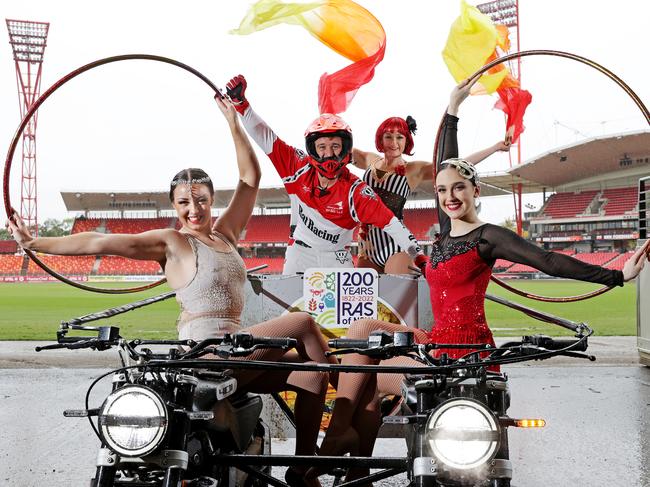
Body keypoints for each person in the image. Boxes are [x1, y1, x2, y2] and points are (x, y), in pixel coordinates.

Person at [306, 79, 650, 484]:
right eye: (443, 191)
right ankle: (343, 443)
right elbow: (447, 162)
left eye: (459, 189)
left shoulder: (488, 236)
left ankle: (338, 447)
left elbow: (548, 260)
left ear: (475, 190)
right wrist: (452, 107)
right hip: (433, 342)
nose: (450, 197)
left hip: (466, 354)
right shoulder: (443, 232)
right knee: (363, 331)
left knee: (363, 378)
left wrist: (615, 275)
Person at [6, 95, 333, 487]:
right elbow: (99, 244)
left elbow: (250, 179)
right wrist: (37, 243)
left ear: (213, 201)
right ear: (173, 205)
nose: (193, 208)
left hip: (240, 352)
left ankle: (304, 467)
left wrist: (232, 120)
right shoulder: (173, 243)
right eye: (184, 202)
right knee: (300, 322)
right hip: (203, 355)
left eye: (201, 200)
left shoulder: (226, 234)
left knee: (310, 377)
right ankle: (346, 396)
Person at [225, 74, 424, 274]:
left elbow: (393, 225)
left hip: (337, 258)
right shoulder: (296, 166)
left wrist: (419, 256)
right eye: (322, 147)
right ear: (312, 148)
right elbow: (265, 136)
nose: (328, 154)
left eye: (335, 146)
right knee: (292, 306)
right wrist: (241, 104)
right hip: (299, 255)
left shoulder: (357, 192)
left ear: (346, 148)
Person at [351, 92, 510, 274]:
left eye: (400, 137)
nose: (393, 143)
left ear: (406, 141)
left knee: (398, 299)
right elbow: (335, 146)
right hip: (366, 247)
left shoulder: (414, 170)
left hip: (395, 246)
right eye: (388, 136)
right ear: (380, 138)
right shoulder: (369, 160)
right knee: (366, 301)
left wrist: (495, 148)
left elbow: (455, 166)